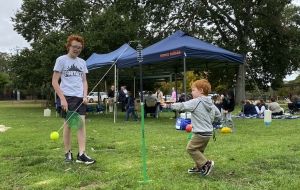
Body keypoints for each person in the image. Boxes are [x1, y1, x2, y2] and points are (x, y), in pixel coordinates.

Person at [52, 34, 95, 165]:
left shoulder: (82, 62)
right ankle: (68, 153)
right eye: (75, 46)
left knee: (81, 125)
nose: (77, 49)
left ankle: (81, 154)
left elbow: (84, 81)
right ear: (69, 46)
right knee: (69, 126)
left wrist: (85, 95)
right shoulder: (61, 60)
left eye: (80, 47)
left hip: (79, 97)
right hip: (67, 97)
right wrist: (62, 99)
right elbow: (54, 81)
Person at [167, 79, 221, 176]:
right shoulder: (210, 103)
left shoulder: (196, 102)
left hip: (200, 132)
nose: (191, 92)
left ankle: (206, 164)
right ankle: (198, 167)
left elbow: (183, 106)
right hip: (208, 133)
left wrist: (169, 106)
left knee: (191, 148)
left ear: (201, 90)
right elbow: (218, 115)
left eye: (193, 90)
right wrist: (210, 121)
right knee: (199, 150)